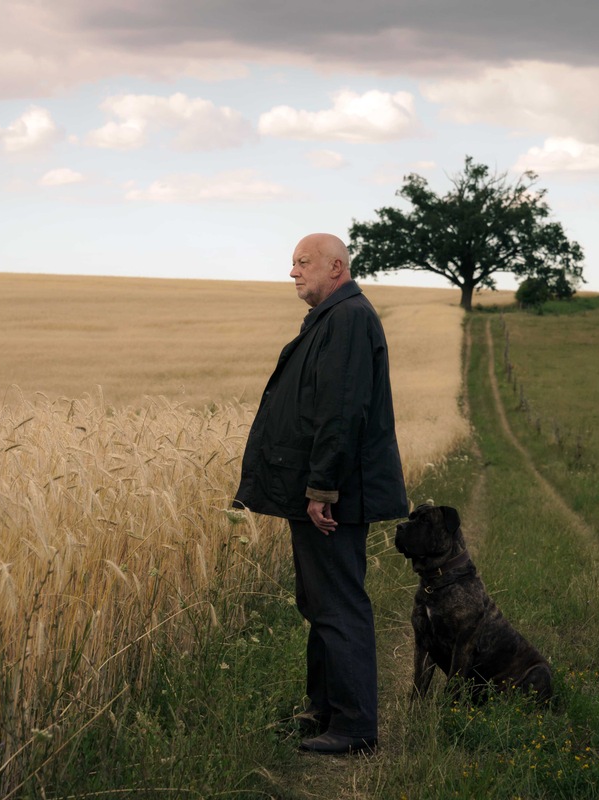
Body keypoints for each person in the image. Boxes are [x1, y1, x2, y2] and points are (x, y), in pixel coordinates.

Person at [233, 232, 408, 755]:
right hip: (325, 489)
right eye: (292, 263)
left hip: (335, 494)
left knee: (337, 603)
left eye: (302, 262)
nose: (293, 272)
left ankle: (354, 728)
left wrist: (322, 488)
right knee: (319, 601)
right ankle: (323, 711)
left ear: (336, 267)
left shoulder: (349, 319)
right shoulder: (335, 318)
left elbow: (340, 410)